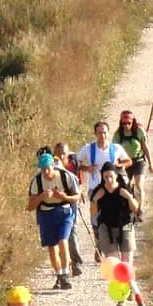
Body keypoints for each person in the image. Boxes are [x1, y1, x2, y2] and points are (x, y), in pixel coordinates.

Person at [28, 151, 80, 291]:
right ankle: (59, 275)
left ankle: (65, 274)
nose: (46, 171)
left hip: (64, 212)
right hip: (46, 214)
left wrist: (63, 197)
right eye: (43, 168)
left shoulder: (64, 176)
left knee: (63, 241)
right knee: (52, 248)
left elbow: (77, 196)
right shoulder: (37, 181)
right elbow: (30, 206)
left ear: (53, 165)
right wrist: (41, 197)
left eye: (48, 168)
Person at [90, 163, 138, 306]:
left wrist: (129, 197)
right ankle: (120, 298)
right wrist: (95, 200)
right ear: (102, 177)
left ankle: (128, 288)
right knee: (115, 266)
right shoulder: (99, 191)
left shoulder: (124, 188)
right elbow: (93, 214)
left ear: (116, 176)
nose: (108, 180)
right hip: (107, 228)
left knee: (126, 263)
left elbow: (135, 208)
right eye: (105, 177)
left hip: (126, 226)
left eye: (110, 176)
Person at [78, 121, 131, 229]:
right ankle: (98, 239)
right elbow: (76, 165)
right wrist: (87, 168)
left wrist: (119, 165)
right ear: (95, 134)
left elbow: (129, 161)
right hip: (95, 187)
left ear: (108, 133)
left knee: (114, 215)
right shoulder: (87, 149)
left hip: (113, 188)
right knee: (96, 217)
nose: (102, 135)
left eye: (105, 133)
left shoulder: (116, 148)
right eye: (99, 133)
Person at [113, 109, 153, 219]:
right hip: (125, 162)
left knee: (139, 185)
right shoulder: (118, 135)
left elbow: (145, 148)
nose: (126, 125)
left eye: (129, 123)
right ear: (120, 122)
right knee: (126, 186)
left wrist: (151, 163)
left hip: (139, 161)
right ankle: (130, 208)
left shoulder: (139, 132)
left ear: (133, 122)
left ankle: (139, 210)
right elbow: (114, 151)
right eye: (124, 123)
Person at [53, 141, 84, 277]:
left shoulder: (73, 165)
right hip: (55, 204)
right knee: (59, 234)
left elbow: (80, 183)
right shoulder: (52, 166)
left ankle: (75, 263)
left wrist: (78, 195)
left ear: (68, 153)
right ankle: (65, 263)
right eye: (58, 153)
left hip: (71, 201)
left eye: (63, 153)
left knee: (71, 230)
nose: (61, 156)